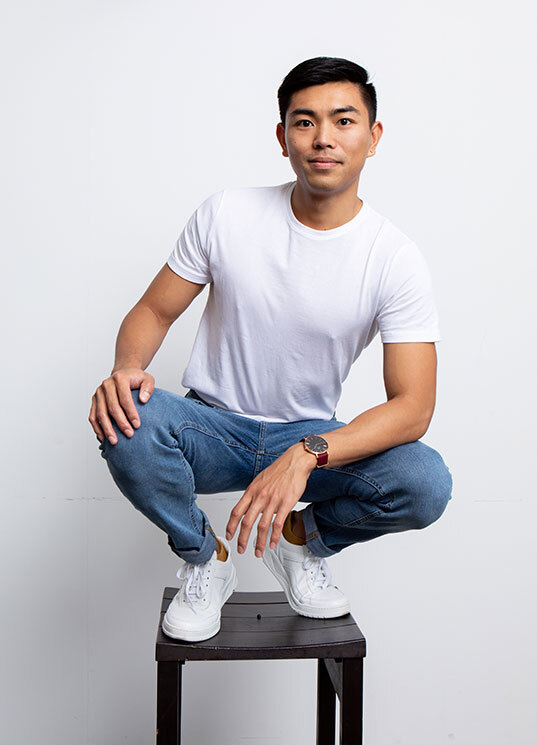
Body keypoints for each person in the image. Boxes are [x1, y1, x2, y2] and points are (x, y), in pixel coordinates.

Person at [89, 56, 453, 643]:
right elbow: (154, 311)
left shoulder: (394, 258)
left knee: (424, 479)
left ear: (373, 137)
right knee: (125, 415)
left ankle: (301, 542)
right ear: (283, 138)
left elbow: (413, 407)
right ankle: (205, 558)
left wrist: (308, 452)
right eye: (305, 122)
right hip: (210, 427)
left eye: (343, 121)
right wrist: (126, 370)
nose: (324, 138)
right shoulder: (227, 214)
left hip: (308, 435)